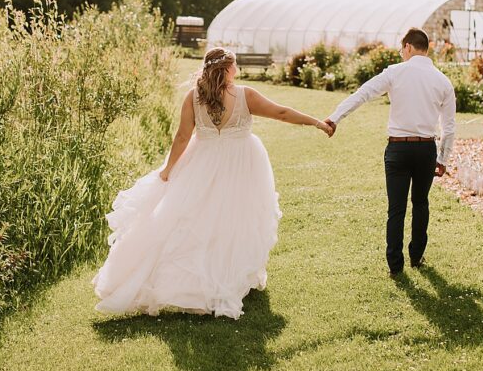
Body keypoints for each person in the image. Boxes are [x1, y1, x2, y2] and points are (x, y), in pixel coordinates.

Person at [92, 47, 333, 319]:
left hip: (202, 163)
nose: (237, 69)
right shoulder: (244, 94)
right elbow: (282, 113)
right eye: (236, 65)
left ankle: (202, 280)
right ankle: (227, 276)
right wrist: (316, 122)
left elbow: (182, 137)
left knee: (198, 220)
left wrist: (169, 169)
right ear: (228, 68)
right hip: (241, 163)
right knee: (236, 219)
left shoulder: (193, 97)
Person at [324, 28, 456, 276]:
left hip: (398, 148)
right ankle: (416, 256)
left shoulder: (395, 72)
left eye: (401, 49)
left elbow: (363, 93)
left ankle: (396, 266)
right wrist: (442, 158)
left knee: (396, 208)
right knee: (421, 203)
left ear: (407, 47)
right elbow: (448, 128)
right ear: (424, 48)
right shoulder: (443, 81)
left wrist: (334, 118)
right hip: (426, 149)